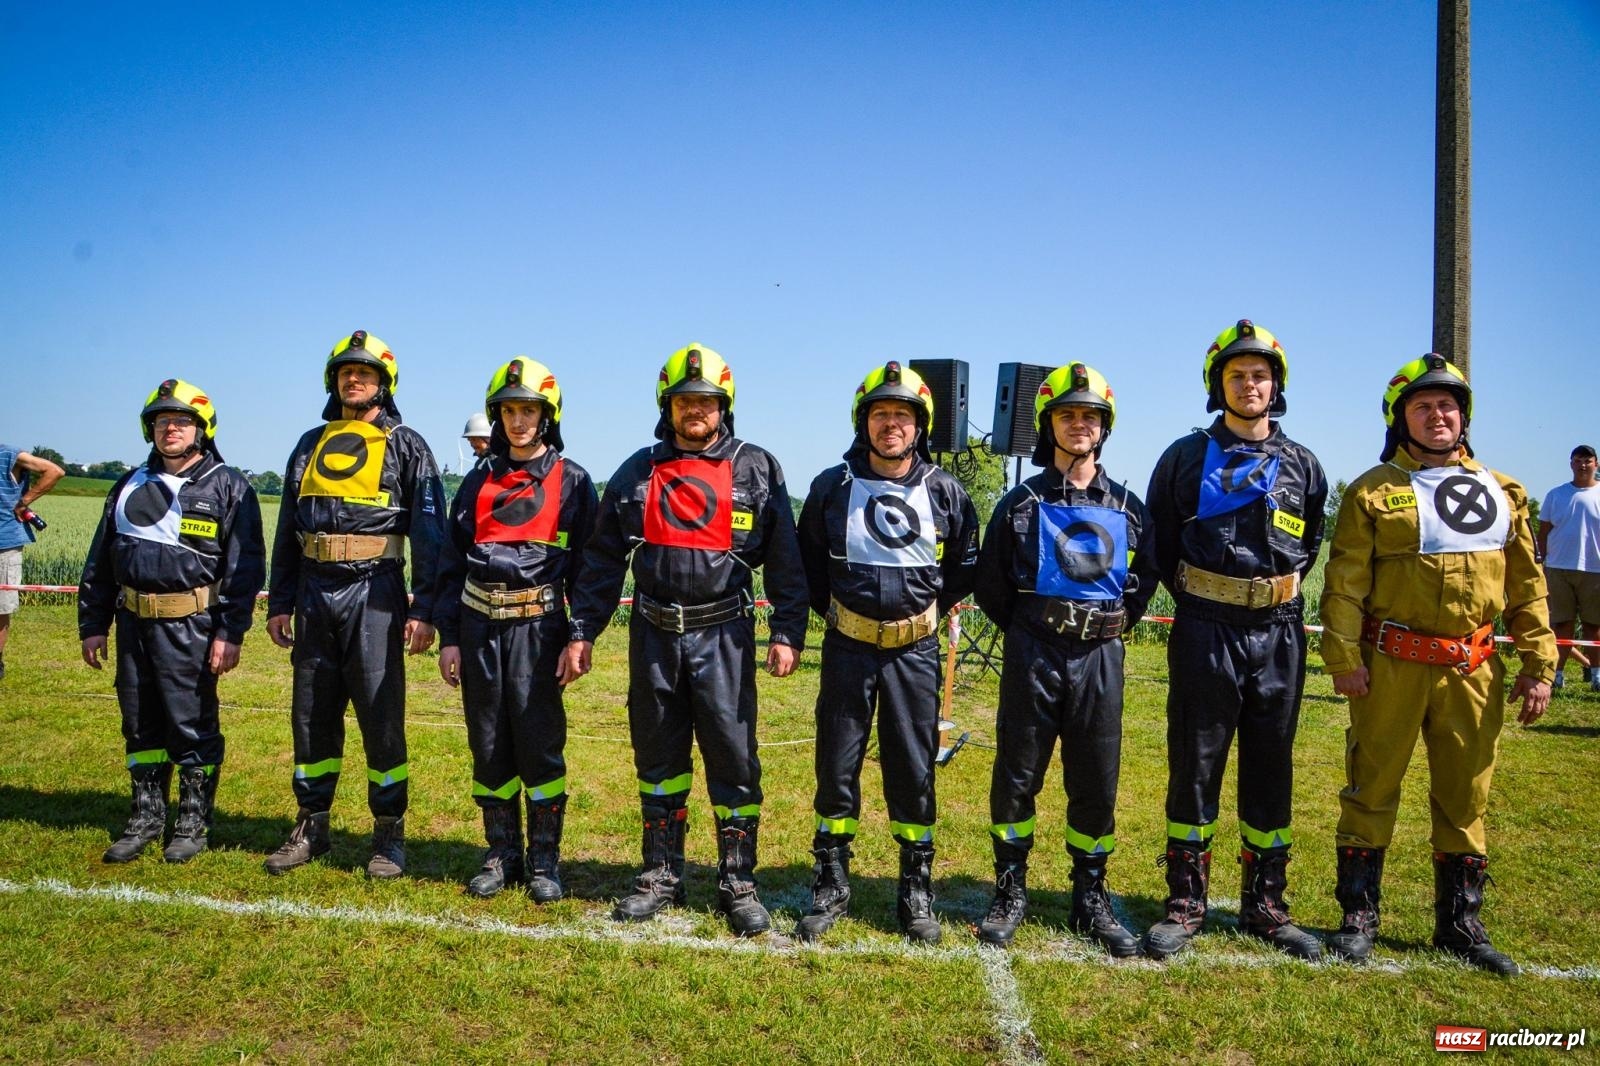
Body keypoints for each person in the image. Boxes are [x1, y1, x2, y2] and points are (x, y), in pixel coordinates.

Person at [560, 343, 808, 937]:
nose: (695, 410)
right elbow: (600, 560)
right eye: (684, 401)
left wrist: (788, 630)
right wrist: (582, 631)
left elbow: (786, 559)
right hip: (653, 637)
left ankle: (738, 880)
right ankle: (661, 873)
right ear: (666, 406)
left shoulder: (757, 467)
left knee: (732, 756)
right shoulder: (637, 470)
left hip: (725, 636)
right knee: (658, 757)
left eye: (706, 401)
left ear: (725, 406)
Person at [1320, 354, 1554, 976]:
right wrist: (1343, 657)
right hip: (1391, 662)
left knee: (1466, 795)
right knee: (1371, 787)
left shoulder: (1505, 492)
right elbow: (1344, 584)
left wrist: (1540, 662)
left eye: (1447, 405)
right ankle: (1358, 916)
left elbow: (1529, 588)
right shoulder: (1371, 492)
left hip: (1473, 670)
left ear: (1464, 416)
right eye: (1422, 406)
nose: (1437, 416)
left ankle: (1460, 923)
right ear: (1400, 419)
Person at [1143, 320, 1326, 961]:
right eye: (1236, 375)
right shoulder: (1185, 457)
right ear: (1217, 385)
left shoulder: (1303, 464)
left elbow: (1311, 541)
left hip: (1278, 632)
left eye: (1260, 375)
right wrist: (1206, 595)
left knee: (1272, 761)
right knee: (1195, 762)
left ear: (1276, 386)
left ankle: (1267, 907)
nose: (1250, 385)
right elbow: (1157, 539)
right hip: (1204, 627)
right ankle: (1185, 904)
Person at [974, 363, 1157, 956]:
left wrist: (1106, 625)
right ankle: (1009, 889)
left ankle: (1090, 895)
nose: (1080, 425)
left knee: (1096, 779)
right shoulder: (1019, 502)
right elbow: (991, 584)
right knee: (1017, 774)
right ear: (1046, 424)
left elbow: (1145, 578)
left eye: (1090, 416)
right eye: (1067, 415)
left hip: (1101, 656)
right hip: (1035, 653)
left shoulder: (1128, 506)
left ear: (1105, 428)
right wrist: (1035, 628)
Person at [794, 362, 979, 944]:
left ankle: (915, 888)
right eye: (880, 414)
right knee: (837, 764)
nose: (891, 424)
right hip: (848, 648)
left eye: (902, 415)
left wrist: (919, 615)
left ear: (920, 425)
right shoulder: (832, 486)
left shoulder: (947, 491)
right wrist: (839, 617)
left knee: (912, 766)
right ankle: (830, 882)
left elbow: (964, 567)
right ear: (863, 422)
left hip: (915, 653)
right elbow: (806, 562)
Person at [264, 331, 446, 879]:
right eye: (345, 371)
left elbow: (431, 533)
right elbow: (286, 529)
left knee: (379, 712)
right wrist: (282, 599)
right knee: (312, 713)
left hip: (377, 592)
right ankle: (311, 824)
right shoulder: (308, 443)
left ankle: (389, 834)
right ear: (332, 380)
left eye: (365, 372)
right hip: (315, 592)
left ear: (384, 383)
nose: (354, 378)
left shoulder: (407, 444)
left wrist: (426, 609)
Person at [78, 380, 266, 863]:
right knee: (140, 723)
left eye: (181, 421)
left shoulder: (228, 485)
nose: (171, 429)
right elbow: (101, 558)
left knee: (191, 724)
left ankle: (191, 822)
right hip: (132, 625)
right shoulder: (128, 484)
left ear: (202, 429)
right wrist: (92, 623)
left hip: (193, 627)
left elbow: (244, 570)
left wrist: (230, 633)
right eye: (162, 422)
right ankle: (145, 816)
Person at [436, 359, 597, 902]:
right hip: (478, 626)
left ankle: (545, 861)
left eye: (529, 409)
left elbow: (589, 568)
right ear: (497, 416)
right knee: (488, 744)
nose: (519, 420)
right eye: (509, 410)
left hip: (539, 628)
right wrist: (450, 635)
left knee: (538, 742)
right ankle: (501, 852)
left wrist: (579, 635)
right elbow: (449, 560)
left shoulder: (571, 480)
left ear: (547, 415)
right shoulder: (478, 478)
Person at [1538, 444, 1600, 692]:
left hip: (1595, 569)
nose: (1582, 465)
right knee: (1561, 625)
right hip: (1558, 567)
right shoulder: (1556, 495)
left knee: (1593, 627)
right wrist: (1541, 562)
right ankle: (1557, 675)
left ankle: (1596, 676)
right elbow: (1543, 532)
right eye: (1577, 460)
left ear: (1596, 464)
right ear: (1571, 464)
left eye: (1587, 460)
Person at [1, 443, 64, 681]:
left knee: (1, 608)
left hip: (4, 543)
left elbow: (54, 471)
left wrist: (24, 501)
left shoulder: (8, 454)